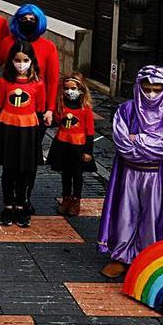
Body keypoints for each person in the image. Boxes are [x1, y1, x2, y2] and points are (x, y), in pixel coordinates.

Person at [97, 65, 163, 278]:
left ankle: (148, 258)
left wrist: (141, 140)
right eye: (147, 88)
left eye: (157, 89)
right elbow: (123, 144)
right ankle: (122, 256)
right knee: (126, 213)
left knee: (152, 217)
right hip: (129, 172)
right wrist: (152, 144)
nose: (151, 94)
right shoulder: (126, 110)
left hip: (158, 176)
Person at [0, 39, 49, 228]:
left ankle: (21, 204)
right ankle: (7, 206)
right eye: (18, 60)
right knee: (9, 169)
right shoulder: (4, 82)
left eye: (25, 60)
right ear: (11, 61)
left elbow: (40, 108)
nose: (21, 64)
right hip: (8, 127)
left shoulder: (38, 84)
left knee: (25, 170)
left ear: (32, 61)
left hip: (28, 129)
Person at [45, 72, 97, 217]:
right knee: (65, 173)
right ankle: (66, 197)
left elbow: (90, 132)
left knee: (77, 174)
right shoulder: (61, 106)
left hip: (78, 145)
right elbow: (56, 120)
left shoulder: (85, 109)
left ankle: (76, 199)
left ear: (80, 89)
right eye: (67, 88)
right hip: (62, 144)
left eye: (73, 88)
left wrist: (88, 151)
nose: (70, 91)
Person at [6, 4, 60, 135]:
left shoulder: (48, 47)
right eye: (24, 19)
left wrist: (50, 109)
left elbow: (53, 80)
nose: (28, 22)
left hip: (37, 105)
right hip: (11, 105)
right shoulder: (8, 42)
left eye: (32, 19)